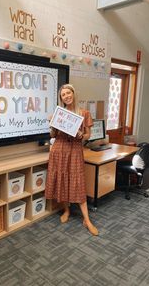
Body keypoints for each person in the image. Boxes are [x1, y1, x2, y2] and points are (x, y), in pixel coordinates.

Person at [45, 84, 98, 236]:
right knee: (62, 179)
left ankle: (87, 220)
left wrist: (81, 134)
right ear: (61, 98)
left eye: (68, 93)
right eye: (63, 95)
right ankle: (66, 210)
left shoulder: (84, 113)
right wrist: (52, 124)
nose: (66, 96)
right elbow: (53, 135)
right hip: (59, 150)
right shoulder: (59, 113)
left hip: (75, 150)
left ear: (73, 94)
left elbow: (88, 135)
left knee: (78, 182)